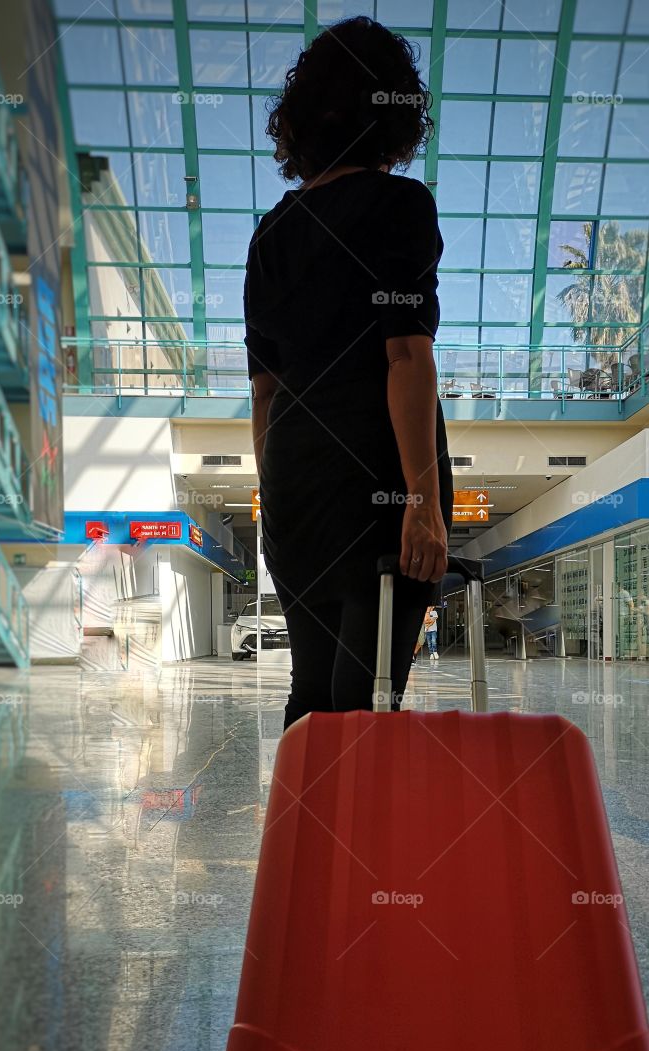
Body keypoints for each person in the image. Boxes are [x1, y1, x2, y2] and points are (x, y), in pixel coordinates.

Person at [244, 17, 453, 730]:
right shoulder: (399, 206)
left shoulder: (270, 231)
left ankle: (304, 841)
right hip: (376, 478)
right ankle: (355, 839)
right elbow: (405, 356)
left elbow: (265, 392)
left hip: (296, 483)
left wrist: (274, 501)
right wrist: (420, 500)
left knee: (311, 696)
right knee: (366, 700)